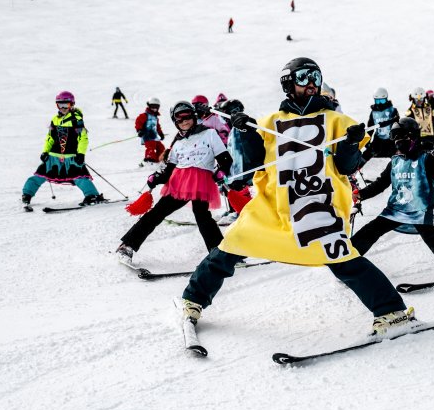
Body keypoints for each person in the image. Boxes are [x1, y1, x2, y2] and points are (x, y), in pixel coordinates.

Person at [175, 57, 413, 337]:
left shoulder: (336, 120)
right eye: (304, 77)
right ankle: (193, 301)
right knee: (228, 248)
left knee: (344, 260)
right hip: (272, 207)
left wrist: (350, 143)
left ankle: (392, 312)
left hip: (316, 207)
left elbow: (347, 167)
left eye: (316, 77)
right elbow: (255, 164)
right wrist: (244, 131)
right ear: (288, 82)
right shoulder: (271, 123)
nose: (312, 83)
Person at [353, 117, 434, 279]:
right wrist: (361, 194)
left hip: (419, 209)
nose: (398, 142)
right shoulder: (395, 162)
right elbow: (380, 184)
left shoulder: (426, 159)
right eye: (395, 138)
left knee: (431, 237)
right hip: (395, 208)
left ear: (413, 137)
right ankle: (350, 258)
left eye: (401, 137)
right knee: (371, 229)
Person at [117, 102, 230, 265]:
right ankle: (127, 245)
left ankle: (220, 253)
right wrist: (156, 178)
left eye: (188, 117)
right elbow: (169, 170)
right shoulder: (177, 143)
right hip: (179, 183)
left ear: (194, 116)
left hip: (202, 183)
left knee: (202, 217)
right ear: (175, 122)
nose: (185, 121)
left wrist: (221, 171)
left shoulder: (210, 134)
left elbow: (225, 159)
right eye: (180, 119)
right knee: (157, 213)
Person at [21, 92, 104, 208]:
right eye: (60, 105)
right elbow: (50, 138)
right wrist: (45, 151)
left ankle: (92, 195)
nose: (63, 108)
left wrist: (81, 153)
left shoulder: (76, 120)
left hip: (71, 157)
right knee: (40, 175)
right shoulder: (55, 119)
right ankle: (27, 194)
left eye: (66, 105)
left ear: (72, 105)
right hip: (53, 156)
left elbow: (83, 138)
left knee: (79, 177)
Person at [221, 98, 264, 215]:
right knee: (233, 189)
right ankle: (237, 211)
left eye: (236, 111)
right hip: (240, 171)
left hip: (248, 169)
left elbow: (243, 151)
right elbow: (233, 153)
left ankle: (249, 213)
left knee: (248, 191)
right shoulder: (233, 132)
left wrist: (239, 175)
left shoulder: (244, 126)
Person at [363, 88, 399, 162]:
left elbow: (397, 124)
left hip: (391, 140)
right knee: (368, 153)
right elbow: (370, 128)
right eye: (377, 101)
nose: (380, 104)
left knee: (396, 154)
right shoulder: (373, 112)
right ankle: (358, 168)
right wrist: (367, 142)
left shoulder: (392, 110)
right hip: (378, 139)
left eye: (382, 101)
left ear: (386, 99)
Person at [405, 88, 434, 158]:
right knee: (419, 154)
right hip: (418, 137)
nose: (419, 101)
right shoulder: (410, 111)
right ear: (413, 99)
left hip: (430, 135)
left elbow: (433, 118)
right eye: (417, 100)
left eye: (421, 99)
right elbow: (408, 125)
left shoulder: (429, 108)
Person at [135, 98, 166, 165]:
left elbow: (157, 127)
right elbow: (138, 122)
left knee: (161, 147)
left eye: (156, 107)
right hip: (147, 136)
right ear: (149, 106)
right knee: (151, 147)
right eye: (153, 106)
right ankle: (149, 160)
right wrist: (139, 130)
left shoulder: (155, 117)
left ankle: (159, 159)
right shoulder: (144, 115)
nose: (154, 108)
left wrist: (161, 133)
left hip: (154, 136)